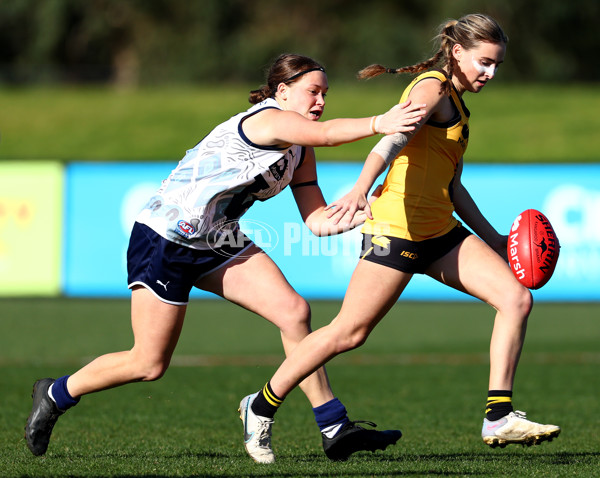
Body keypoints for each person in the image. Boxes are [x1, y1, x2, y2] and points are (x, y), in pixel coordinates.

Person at [25, 53, 426, 463]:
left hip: (216, 239)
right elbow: (328, 134)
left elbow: (316, 220)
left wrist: (358, 213)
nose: (321, 101)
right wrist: (381, 122)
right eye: (313, 92)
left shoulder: (300, 150)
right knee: (148, 363)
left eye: (325, 94)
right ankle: (56, 393)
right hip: (167, 236)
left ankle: (333, 424)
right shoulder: (266, 119)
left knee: (293, 311)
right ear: (282, 91)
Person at [242, 14, 561, 454]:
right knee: (349, 333)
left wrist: (497, 242)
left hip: (440, 230)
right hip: (397, 229)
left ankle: (499, 416)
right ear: (457, 53)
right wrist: (358, 188)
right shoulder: (431, 87)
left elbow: (453, 187)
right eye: (484, 62)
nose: (490, 73)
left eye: (497, 65)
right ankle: (260, 405)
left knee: (515, 298)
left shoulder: (459, 105)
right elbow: (391, 139)